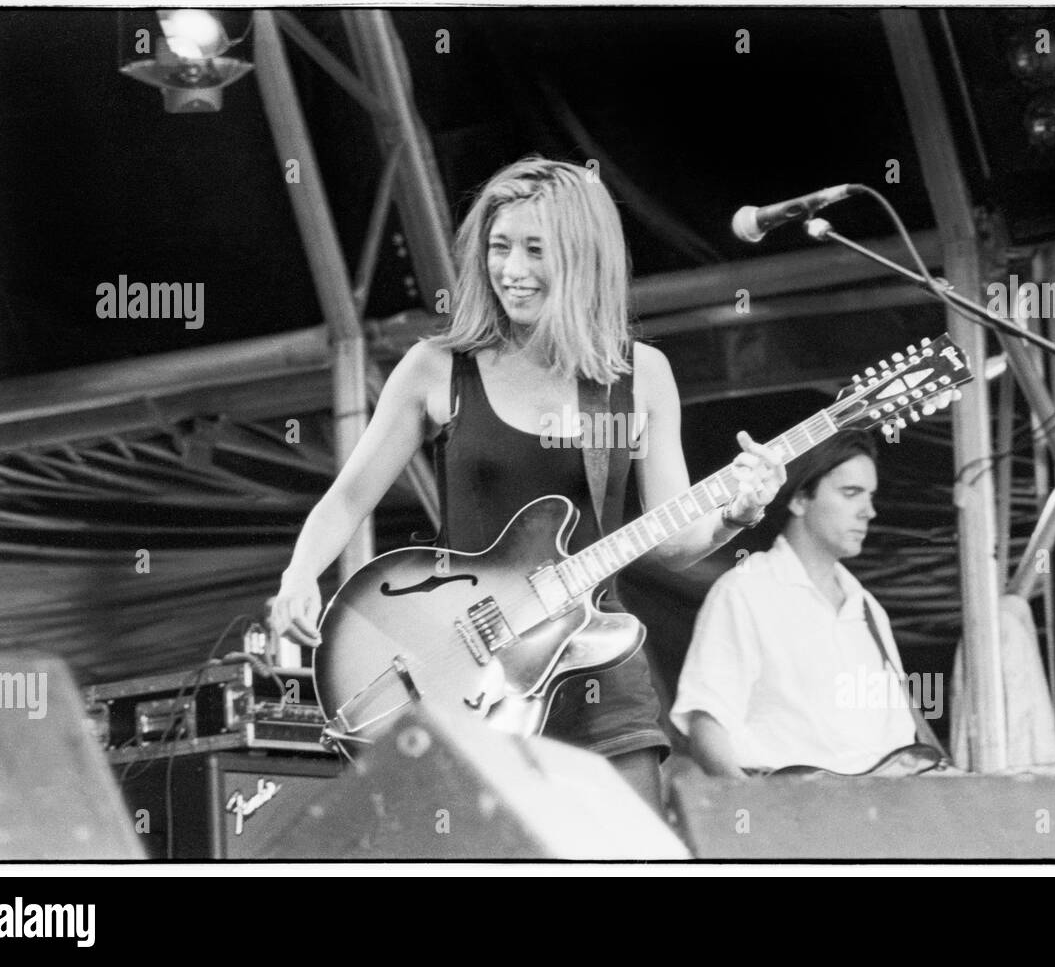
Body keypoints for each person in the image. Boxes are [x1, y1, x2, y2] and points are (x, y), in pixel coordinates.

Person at [270, 156, 786, 811]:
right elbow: (348, 496)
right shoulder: (438, 370)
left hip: (600, 672)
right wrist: (298, 575)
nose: (512, 270)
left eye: (535, 250)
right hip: (476, 683)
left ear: (581, 257)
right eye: (499, 247)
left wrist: (737, 515)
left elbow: (672, 539)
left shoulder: (638, 377)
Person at [671, 428, 925, 778]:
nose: (869, 512)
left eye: (870, 496)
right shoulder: (746, 591)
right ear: (799, 499)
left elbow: (900, 743)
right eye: (851, 493)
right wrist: (752, 808)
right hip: (785, 812)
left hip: (872, 812)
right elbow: (707, 724)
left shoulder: (868, 609)